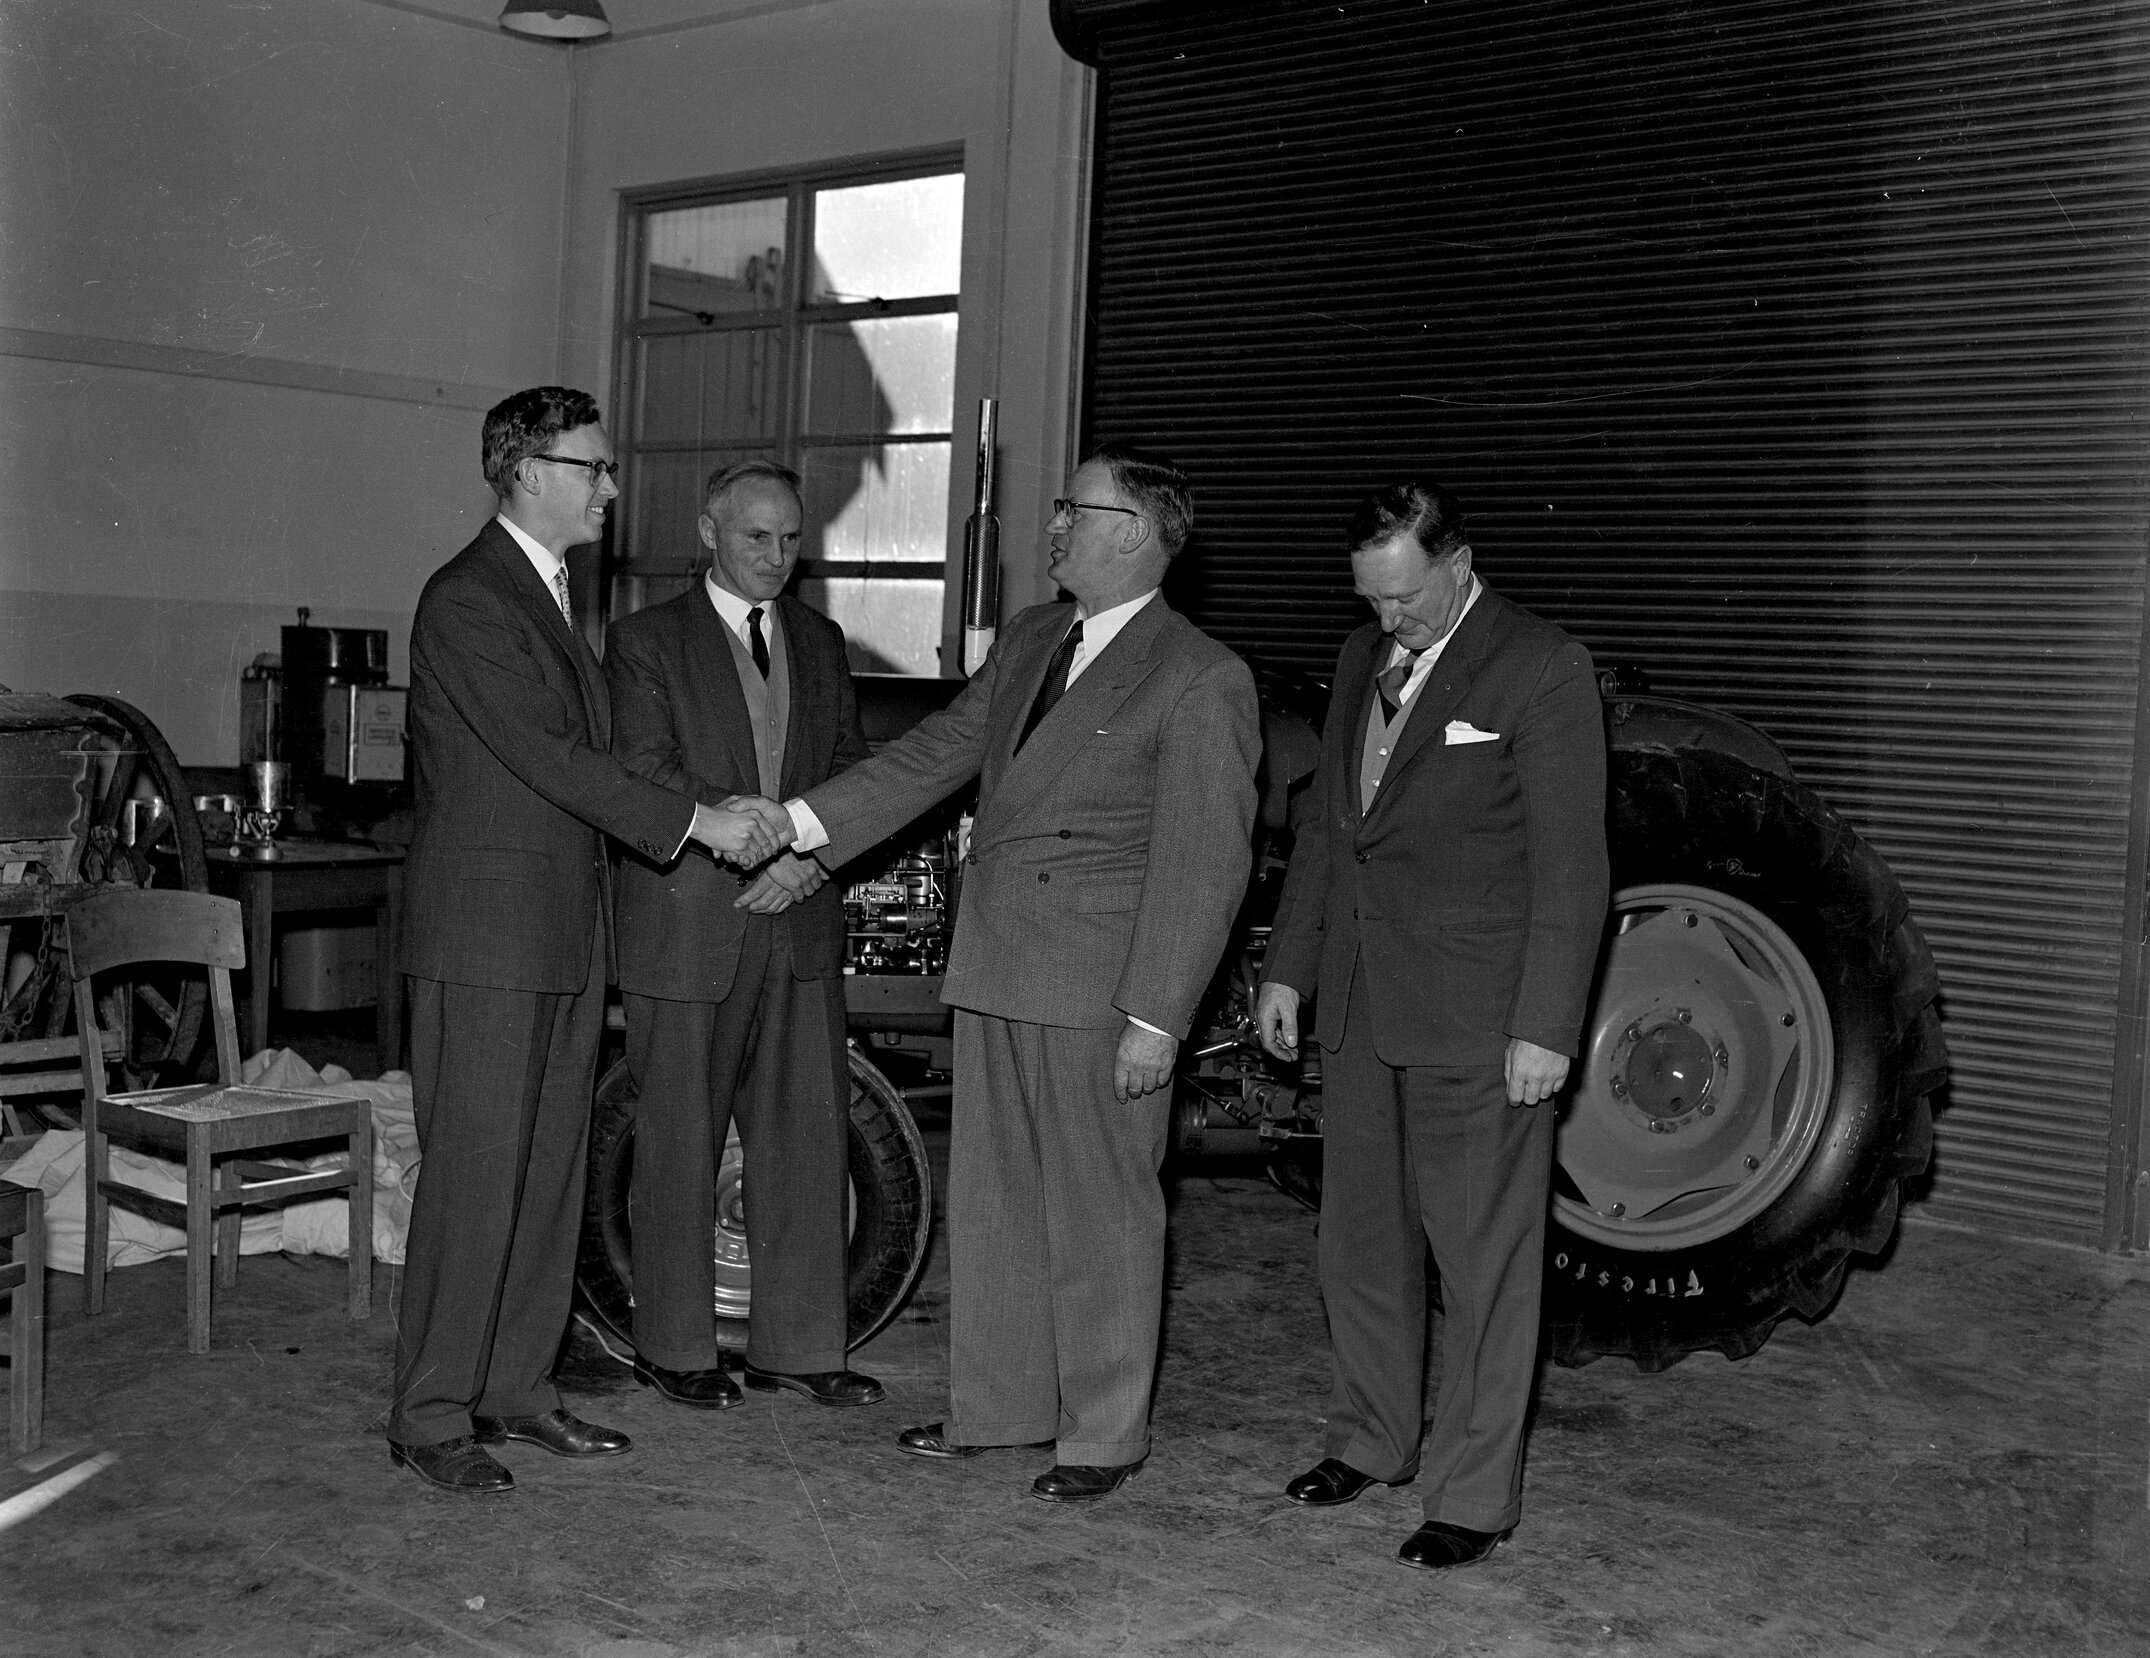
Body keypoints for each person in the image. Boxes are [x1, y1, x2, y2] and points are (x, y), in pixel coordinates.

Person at [758, 444, 1259, 1503]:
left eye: (1072, 507)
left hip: (1100, 987)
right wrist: (801, 823)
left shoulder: (1201, 674)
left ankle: (1102, 1431)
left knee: (1099, 1214)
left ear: (1133, 531)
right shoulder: (1037, 636)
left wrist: (1157, 1017)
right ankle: (1001, 1407)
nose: (1053, 523)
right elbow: (931, 755)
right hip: (998, 965)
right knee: (995, 1205)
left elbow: (1205, 862)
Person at [388, 386, 786, 1495]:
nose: (611, 487)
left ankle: (513, 1389)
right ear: (524, 468)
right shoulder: (469, 599)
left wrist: (718, 804)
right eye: (593, 467)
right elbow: (552, 755)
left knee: (550, 1173)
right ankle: (427, 1408)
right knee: (474, 1177)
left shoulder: (555, 597)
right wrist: (698, 822)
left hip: (563, 934)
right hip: (486, 939)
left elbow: (614, 757)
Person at [1256, 481, 1608, 1569]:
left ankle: (1470, 1493)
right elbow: (1329, 830)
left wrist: (1544, 1026)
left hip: (1477, 1021)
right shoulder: (1363, 656)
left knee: (1482, 1263)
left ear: (1457, 562)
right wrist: (1288, 968)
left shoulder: (1541, 664)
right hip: (1361, 1005)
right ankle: (1369, 1438)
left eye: (1404, 599)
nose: (1387, 623)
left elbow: (1572, 865)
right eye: (1370, 601)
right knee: (1357, 1245)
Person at [604, 460, 881, 1412]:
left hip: (798, 919)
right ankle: (675, 1348)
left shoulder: (821, 639)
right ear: (709, 533)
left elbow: (849, 772)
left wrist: (806, 861)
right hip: (688, 927)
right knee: (679, 1144)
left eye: (791, 539)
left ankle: (799, 1349)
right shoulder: (644, 643)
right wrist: (748, 849)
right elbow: (642, 772)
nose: (776, 556)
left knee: (808, 1143)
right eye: (756, 536)